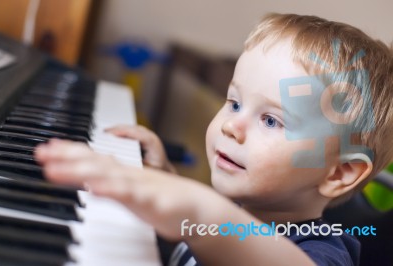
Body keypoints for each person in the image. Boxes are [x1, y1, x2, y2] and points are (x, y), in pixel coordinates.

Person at [34, 13, 393, 266]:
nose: (230, 126)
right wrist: (167, 180)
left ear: (338, 173)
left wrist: (198, 206)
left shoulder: (323, 251)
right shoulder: (242, 208)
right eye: (234, 102)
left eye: (270, 120)